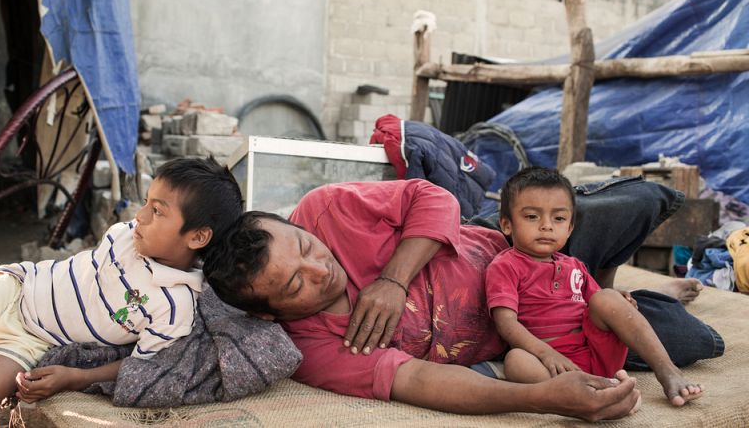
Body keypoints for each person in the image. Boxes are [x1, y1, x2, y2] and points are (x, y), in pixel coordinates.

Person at [206, 177, 720, 420]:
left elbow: (434, 198)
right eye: (295, 285)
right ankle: (626, 292)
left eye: (305, 248)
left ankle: (602, 275)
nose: (320, 270)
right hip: (545, 331)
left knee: (645, 201)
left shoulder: (324, 208)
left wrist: (393, 279)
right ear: (265, 313)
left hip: (523, 253)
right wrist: (540, 399)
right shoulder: (314, 351)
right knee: (698, 342)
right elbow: (419, 379)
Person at [0, 157, 243, 426]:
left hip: (31, 344)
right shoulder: (131, 234)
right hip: (15, 290)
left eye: (157, 211)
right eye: (146, 202)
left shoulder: (174, 307)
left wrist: (76, 377)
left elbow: (139, 365)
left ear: (198, 236)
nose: (140, 215)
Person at [486, 167, 703, 406]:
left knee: (607, 298)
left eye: (558, 218)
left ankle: (666, 370)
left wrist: (619, 303)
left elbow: (597, 303)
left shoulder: (574, 265)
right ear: (506, 224)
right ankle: (590, 393)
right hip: (549, 364)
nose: (546, 226)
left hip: (596, 351)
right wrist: (545, 353)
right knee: (515, 361)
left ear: (570, 229)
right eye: (531, 217)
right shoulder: (504, 266)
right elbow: (506, 324)